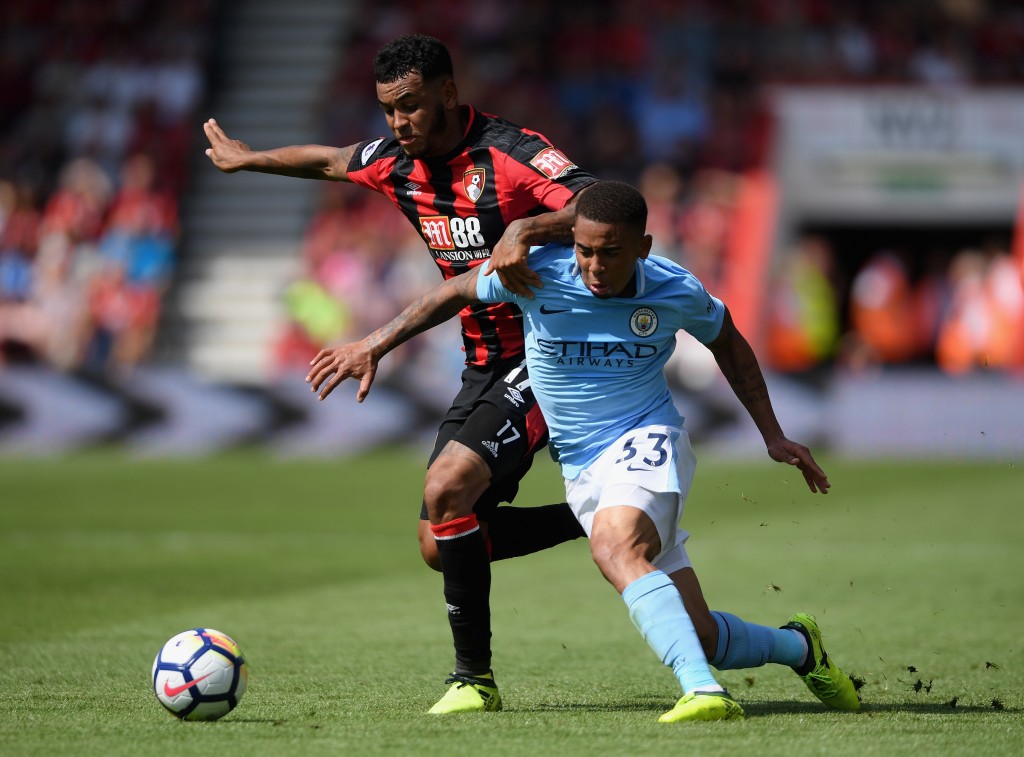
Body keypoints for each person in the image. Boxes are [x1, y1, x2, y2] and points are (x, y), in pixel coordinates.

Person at [306, 181, 861, 722]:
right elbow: (450, 293)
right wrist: (372, 344)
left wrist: (772, 434)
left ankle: (702, 691)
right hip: (582, 466)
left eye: (611, 254)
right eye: (585, 251)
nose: (594, 266)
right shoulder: (538, 272)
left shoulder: (674, 289)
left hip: (647, 440)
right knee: (704, 635)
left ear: (643, 247)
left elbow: (730, 345)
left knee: (613, 547)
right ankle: (799, 648)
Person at [204, 34, 598, 713]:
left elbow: (603, 206)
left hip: (548, 351)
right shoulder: (395, 162)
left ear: (448, 91)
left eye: (411, 106)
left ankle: (473, 679)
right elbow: (329, 160)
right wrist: (249, 160)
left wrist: (529, 230)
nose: (398, 123)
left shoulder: (509, 153)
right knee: (437, 542)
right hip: (482, 364)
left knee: (447, 488)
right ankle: (592, 517)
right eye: (388, 110)